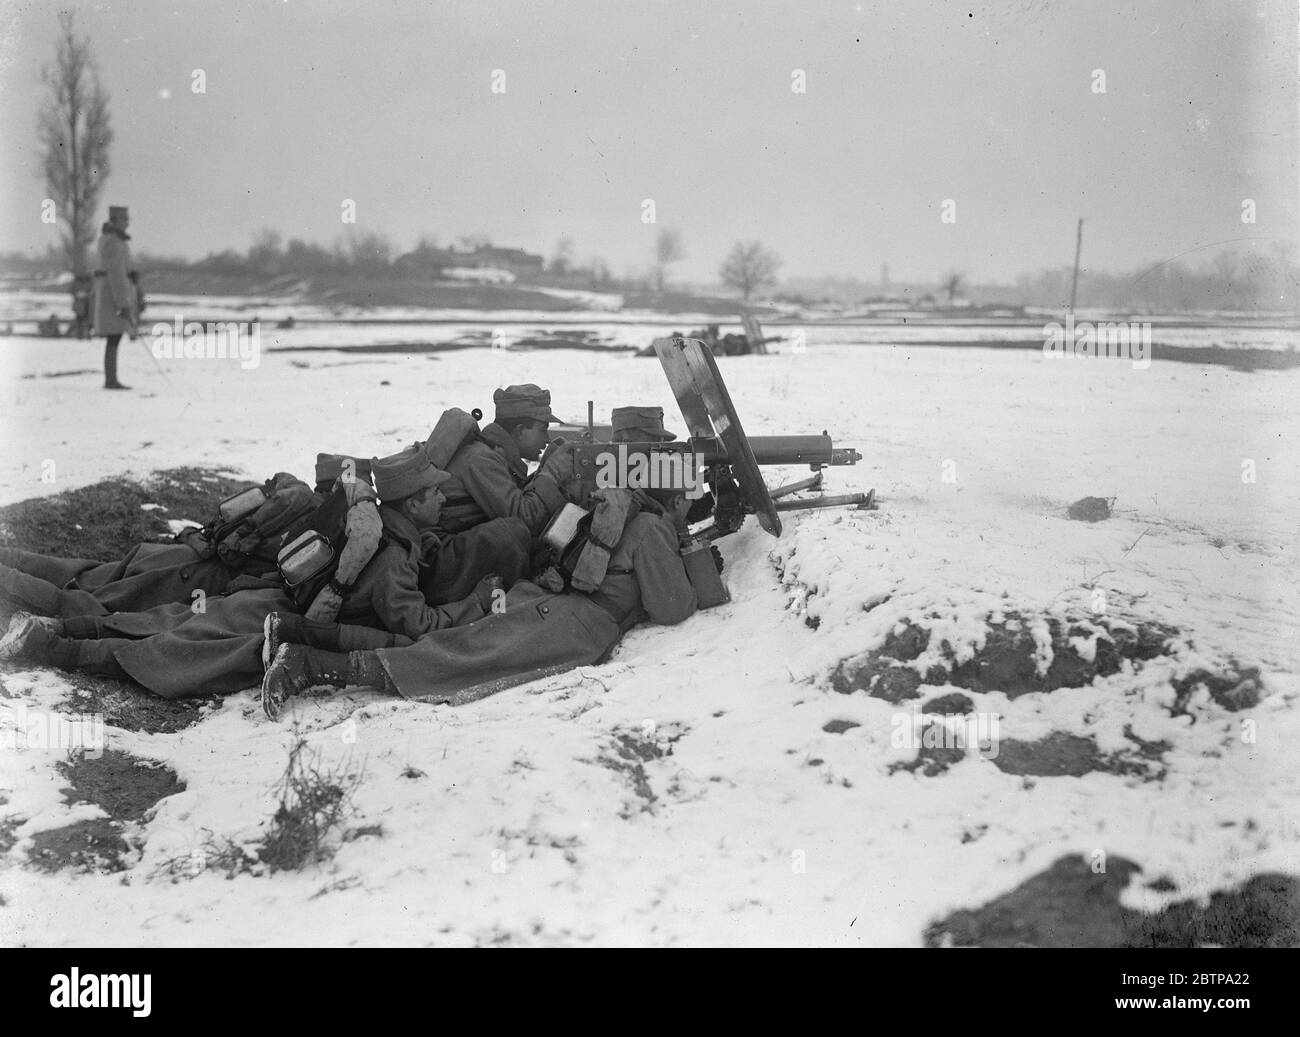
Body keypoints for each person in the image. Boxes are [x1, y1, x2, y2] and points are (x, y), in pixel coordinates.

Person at [260, 407, 700, 719]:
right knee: (456, 658)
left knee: (459, 647)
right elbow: (673, 606)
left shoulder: (607, 503)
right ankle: (308, 664)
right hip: (572, 623)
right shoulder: (648, 525)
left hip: (543, 598)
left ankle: (303, 647)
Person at [0, 449, 493, 699]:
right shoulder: (393, 556)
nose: (443, 500)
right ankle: (52, 643)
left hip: (265, 596)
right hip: (266, 611)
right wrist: (479, 604)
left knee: (161, 622)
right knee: (167, 645)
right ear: (412, 501)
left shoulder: (381, 525)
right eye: (434, 494)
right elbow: (415, 625)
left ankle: (55, 631)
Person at [92, 205, 139, 390]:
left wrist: (132, 272)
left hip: (111, 294)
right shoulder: (113, 242)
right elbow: (116, 275)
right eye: (124, 219)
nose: (127, 223)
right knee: (114, 336)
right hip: (112, 297)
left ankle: (111, 378)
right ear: (115, 221)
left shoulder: (115, 241)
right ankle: (110, 380)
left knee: (115, 336)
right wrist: (123, 303)